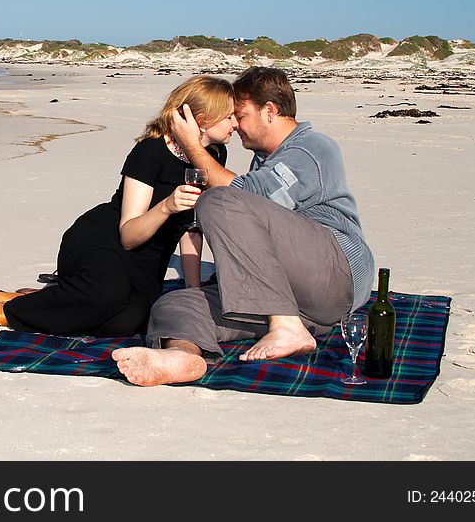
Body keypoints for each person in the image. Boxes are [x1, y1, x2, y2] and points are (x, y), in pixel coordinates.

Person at [113, 66, 375, 386]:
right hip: (300, 302)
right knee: (176, 303)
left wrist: (191, 146)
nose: (236, 125)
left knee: (218, 201)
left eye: (241, 114)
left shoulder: (311, 148)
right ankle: (182, 356)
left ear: (269, 111)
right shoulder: (263, 161)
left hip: (336, 274)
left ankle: (285, 326)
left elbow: (239, 197)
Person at [0, 75, 239, 337]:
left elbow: (191, 227)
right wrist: (166, 206)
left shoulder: (213, 156)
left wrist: (193, 291)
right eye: (228, 117)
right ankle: (5, 313)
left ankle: (28, 299)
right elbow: (128, 234)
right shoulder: (149, 152)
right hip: (104, 239)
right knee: (106, 293)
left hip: (147, 263)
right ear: (201, 119)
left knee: (130, 321)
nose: (235, 124)